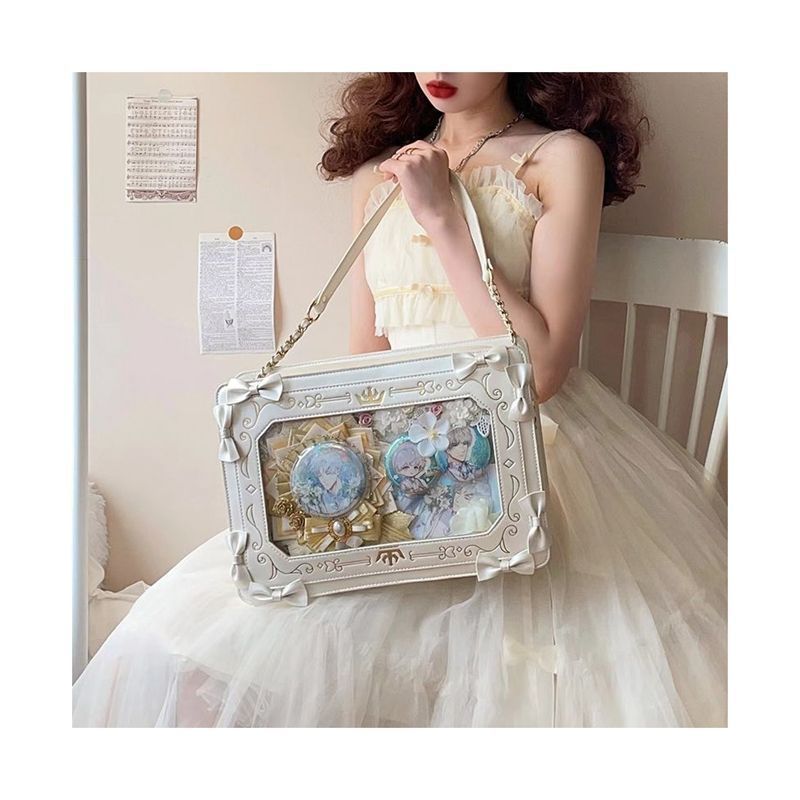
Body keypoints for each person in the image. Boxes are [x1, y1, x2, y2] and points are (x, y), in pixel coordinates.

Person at [73, 73, 727, 727]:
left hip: (528, 452)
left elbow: (542, 370)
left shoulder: (561, 157)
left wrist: (443, 219)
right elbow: (366, 364)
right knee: (183, 643)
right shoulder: (377, 175)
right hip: (401, 455)